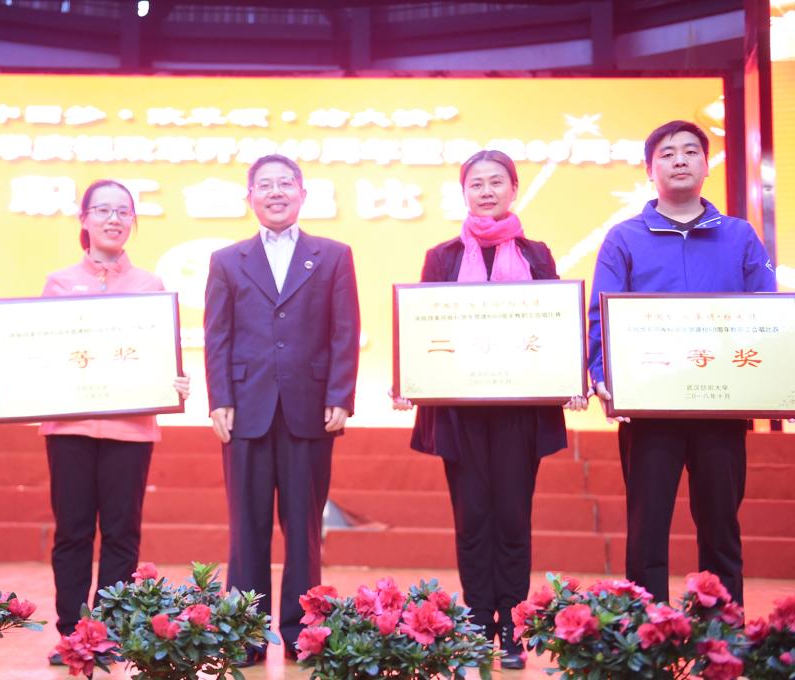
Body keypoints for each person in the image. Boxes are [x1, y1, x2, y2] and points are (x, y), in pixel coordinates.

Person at [392, 149, 587, 670]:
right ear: (464, 193)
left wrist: (571, 377)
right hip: (461, 414)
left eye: (496, 181)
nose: (485, 191)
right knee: (473, 519)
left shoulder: (536, 255)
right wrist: (409, 378)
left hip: (520, 413)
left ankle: (514, 630)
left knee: (513, 519)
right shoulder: (442, 257)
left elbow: (555, 326)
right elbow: (425, 328)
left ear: (514, 189)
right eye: (475, 183)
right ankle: (479, 625)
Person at [0, 179, 190, 665]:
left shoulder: (151, 287)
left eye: (123, 211)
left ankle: (109, 631)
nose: (114, 219)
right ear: (84, 219)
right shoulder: (58, 282)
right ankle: (74, 633)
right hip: (69, 429)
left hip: (130, 430)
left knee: (122, 533)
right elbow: (34, 353)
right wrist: (5, 387)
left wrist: (174, 382)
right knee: (72, 532)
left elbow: (160, 357)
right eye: (103, 210)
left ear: (133, 221)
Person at [588, 121, 775, 606]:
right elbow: (601, 315)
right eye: (667, 153)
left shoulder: (739, 236)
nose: (680, 160)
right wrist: (603, 375)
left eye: (691, 151)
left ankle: (722, 629)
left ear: (707, 165)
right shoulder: (624, 238)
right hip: (650, 407)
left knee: (721, 526)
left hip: (722, 405)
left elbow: (767, 314)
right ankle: (645, 628)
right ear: (650, 170)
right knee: (647, 528)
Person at [203, 154, 360, 664]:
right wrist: (219, 399)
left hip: (309, 409)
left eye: (285, 184)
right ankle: (244, 634)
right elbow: (217, 336)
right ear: (249, 196)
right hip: (244, 409)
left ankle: (302, 634)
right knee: (246, 530)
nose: (275, 192)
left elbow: (344, 330)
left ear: (302, 193)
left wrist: (340, 395)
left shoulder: (333, 255)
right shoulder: (227, 260)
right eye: (265, 185)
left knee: (304, 531)